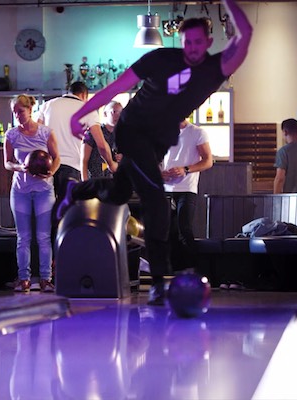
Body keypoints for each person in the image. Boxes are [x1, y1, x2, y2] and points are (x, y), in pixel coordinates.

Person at [60, 0, 253, 305]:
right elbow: (115, 87)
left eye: (198, 43)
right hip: (132, 131)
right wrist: (79, 114)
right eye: (187, 42)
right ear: (182, 40)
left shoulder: (216, 69)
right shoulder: (161, 58)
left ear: (209, 44)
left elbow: (247, 33)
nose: (191, 48)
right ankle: (160, 282)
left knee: (120, 192)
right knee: (158, 204)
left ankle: (79, 189)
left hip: (157, 143)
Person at [4, 94, 61, 292]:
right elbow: (7, 162)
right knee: (23, 237)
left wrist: (49, 173)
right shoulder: (11, 135)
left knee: (43, 236)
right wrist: (20, 168)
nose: (18, 116)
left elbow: (57, 158)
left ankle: (46, 279)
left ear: (30, 110)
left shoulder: (45, 132)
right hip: (20, 190)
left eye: (21, 111)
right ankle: (24, 279)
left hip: (44, 191)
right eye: (15, 113)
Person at [38, 81, 116, 197]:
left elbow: (37, 135)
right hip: (72, 168)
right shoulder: (88, 109)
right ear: (84, 95)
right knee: (68, 212)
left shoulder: (47, 105)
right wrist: (111, 163)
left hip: (48, 167)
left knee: (48, 212)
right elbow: (101, 144)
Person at [161, 119, 213, 272]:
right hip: (166, 188)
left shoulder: (197, 132)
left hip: (187, 188)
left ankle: (195, 269)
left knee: (184, 228)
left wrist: (186, 169)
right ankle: (174, 270)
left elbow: (208, 161)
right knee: (169, 231)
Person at [81, 100, 123, 180]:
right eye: (114, 112)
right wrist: (85, 183)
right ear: (105, 114)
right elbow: (84, 161)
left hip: (115, 183)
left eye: (120, 113)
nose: (117, 116)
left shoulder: (122, 135)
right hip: (95, 181)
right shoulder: (93, 131)